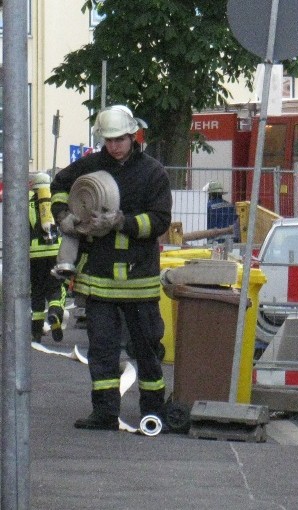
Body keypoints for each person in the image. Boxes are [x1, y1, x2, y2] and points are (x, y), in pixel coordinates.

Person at [50, 104, 172, 431]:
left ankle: (153, 411)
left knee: (146, 348)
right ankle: (104, 412)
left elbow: (160, 221)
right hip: (99, 279)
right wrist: (65, 215)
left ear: (133, 136)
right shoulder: (90, 166)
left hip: (138, 279)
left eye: (120, 139)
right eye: (109, 140)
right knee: (102, 349)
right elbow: (60, 185)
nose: (114, 146)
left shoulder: (152, 173)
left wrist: (124, 222)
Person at [29, 172, 67, 343]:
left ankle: (36, 331)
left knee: (36, 290)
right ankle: (54, 313)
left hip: (33, 253)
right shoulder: (53, 198)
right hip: (54, 251)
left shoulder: (26, 201)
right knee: (56, 286)